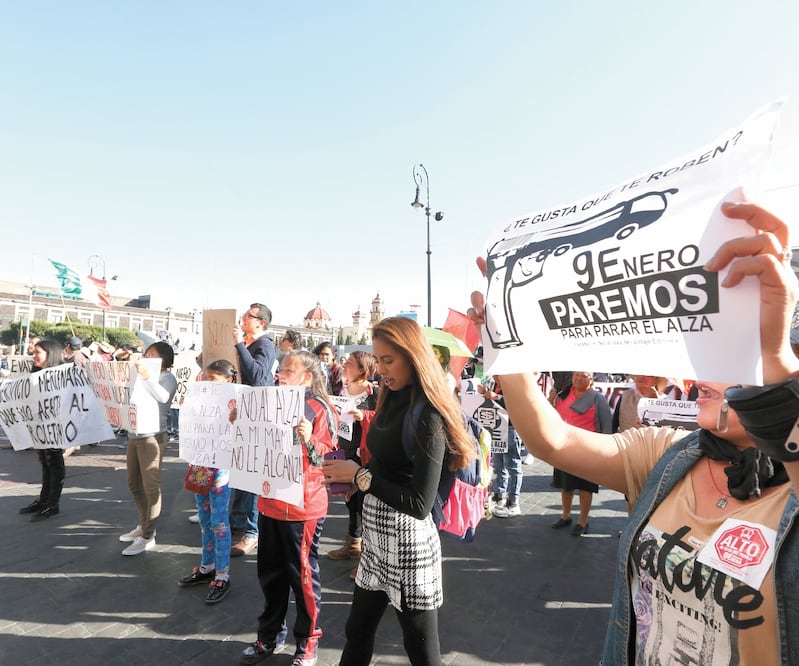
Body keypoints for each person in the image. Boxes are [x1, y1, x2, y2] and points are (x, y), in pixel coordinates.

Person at [468, 200, 799, 664]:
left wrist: (779, 367)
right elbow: (553, 440)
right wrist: (507, 346)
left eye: (726, 352)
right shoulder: (668, 453)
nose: (701, 369)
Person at [323, 316, 475, 666]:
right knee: (357, 631)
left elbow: (420, 504)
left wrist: (361, 478)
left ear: (413, 356)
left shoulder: (430, 414)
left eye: (389, 360)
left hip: (408, 543)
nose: (382, 370)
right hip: (375, 538)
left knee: (421, 649)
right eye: (379, 360)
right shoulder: (389, 397)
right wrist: (353, 484)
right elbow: (382, 461)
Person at [239, 350, 338, 666]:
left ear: (308, 377)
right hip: (269, 503)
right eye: (280, 369)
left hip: (303, 509)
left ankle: (308, 642)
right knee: (270, 576)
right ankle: (269, 638)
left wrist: (309, 440)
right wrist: (237, 422)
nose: (281, 374)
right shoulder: (268, 402)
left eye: (289, 370)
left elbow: (328, 459)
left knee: (304, 578)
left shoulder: (319, 409)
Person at [178, 359, 237, 604]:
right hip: (200, 464)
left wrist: (237, 419)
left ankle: (222, 574)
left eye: (213, 378)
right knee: (204, 519)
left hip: (221, 465)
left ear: (229, 381)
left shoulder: (237, 402)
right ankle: (207, 566)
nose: (207, 382)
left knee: (219, 521)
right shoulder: (199, 398)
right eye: (206, 377)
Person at [119, 341, 178, 556]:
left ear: (163, 359)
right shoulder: (140, 375)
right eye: (145, 353)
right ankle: (143, 524)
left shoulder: (167, 377)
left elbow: (162, 397)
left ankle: (148, 535)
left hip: (153, 436)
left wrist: (146, 376)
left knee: (151, 487)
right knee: (134, 483)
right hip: (135, 434)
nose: (145, 357)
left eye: (151, 354)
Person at [326, 351, 379, 579]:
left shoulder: (374, 392)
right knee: (351, 501)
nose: (344, 365)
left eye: (349, 363)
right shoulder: (343, 391)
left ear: (362, 369)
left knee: (365, 503)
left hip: (365, 455)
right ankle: (353, 543)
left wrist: (364, 415)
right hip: (346, 450)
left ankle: (366, 560)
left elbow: (383, 418)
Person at [230, 302, 276, 557]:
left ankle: (252, 531)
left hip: (259, 417)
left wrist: (238, 345)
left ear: (261, 323)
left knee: (253, 473)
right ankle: (237, 519)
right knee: (241, 469)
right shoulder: (248, 344)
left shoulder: (264, 345)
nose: (244, 317)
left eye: (250, 315)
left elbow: (258, 376)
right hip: (246, 413)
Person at [551, 371, 612, 536]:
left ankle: (582, 521)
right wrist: (551, 400)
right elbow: (552, 417)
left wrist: (604, 450)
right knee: (566, 485)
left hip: (588, 448)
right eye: (576, 375)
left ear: (591, 380)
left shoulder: (597, 399)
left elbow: (607, 426)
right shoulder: (562, 395)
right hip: (564, 446)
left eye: (583, 376)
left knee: (586, 487)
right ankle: (565, 515)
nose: (578, 379)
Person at [18, 338, 66, 522]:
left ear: (50, 354)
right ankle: (44, 500)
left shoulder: (61, 374)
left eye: (38, 352)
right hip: (39, 425)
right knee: (44, 462)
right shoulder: (36, 372)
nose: (33, 356)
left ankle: (53, 504)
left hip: (56, 426)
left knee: (54, 461)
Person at [481, 377, 525, 517]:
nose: (496, 377)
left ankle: (513, 502)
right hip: (498, 428)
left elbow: (518, 403)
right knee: (499, 465)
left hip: (511, 428)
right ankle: (499, 496)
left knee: (513, 466)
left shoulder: (514, 385)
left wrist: (497, 397)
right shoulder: (495, 385)